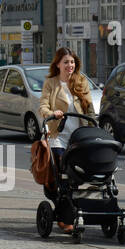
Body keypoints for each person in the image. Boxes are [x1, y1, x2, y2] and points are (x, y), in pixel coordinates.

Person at [38, 46, 95, 232]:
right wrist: (52, 113)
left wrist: (94, 125)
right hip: (58, 135)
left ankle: (73, 211)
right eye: (66, 62)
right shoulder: (51, 83)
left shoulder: (81, 81)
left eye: (72, 62)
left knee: (77, 176)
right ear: (58, 64)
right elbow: (43, 106)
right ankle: (65, 217)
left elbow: (89, 108)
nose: (69, 65)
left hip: (79, 136)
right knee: (62, 173)